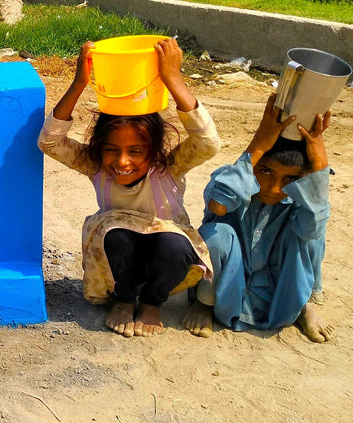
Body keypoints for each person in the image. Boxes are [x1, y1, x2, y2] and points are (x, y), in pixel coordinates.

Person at [38, 38, 221, 337]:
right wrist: (80, 82)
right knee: (117, 234)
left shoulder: (169, 167)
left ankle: (152, 302)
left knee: (172, 242)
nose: (122, 161)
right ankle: (123, 299)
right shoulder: (95, 165)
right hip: (120, 264)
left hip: (167, 264)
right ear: (99, 148)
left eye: (136, 151)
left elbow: (208, 142)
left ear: (155, 151)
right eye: (112, 150)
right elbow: (49, 142)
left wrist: (173, 78)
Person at [183, 94, 335, 342]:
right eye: (265, 171)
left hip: (281, 293)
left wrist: (319, 164)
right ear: (253, 163)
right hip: (227, 289)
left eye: (290, 179)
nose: (274, 189)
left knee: (315, 225)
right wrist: (258, 145)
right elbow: (219, 206)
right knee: (216, 233)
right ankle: (204, 303)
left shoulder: (303, 196)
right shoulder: (231, 178)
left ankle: (303, 307)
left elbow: (311, 230)